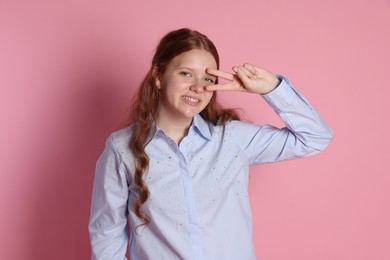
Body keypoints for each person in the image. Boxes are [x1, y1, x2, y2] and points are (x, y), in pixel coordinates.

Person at [88, 28, 333, 260]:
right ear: (159, 77)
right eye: (185, 73)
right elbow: (106, 233)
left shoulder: (233, 138)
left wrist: (271, 88)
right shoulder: (121, 148)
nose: (197, 86)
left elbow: (315, 138)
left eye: (207, 77)